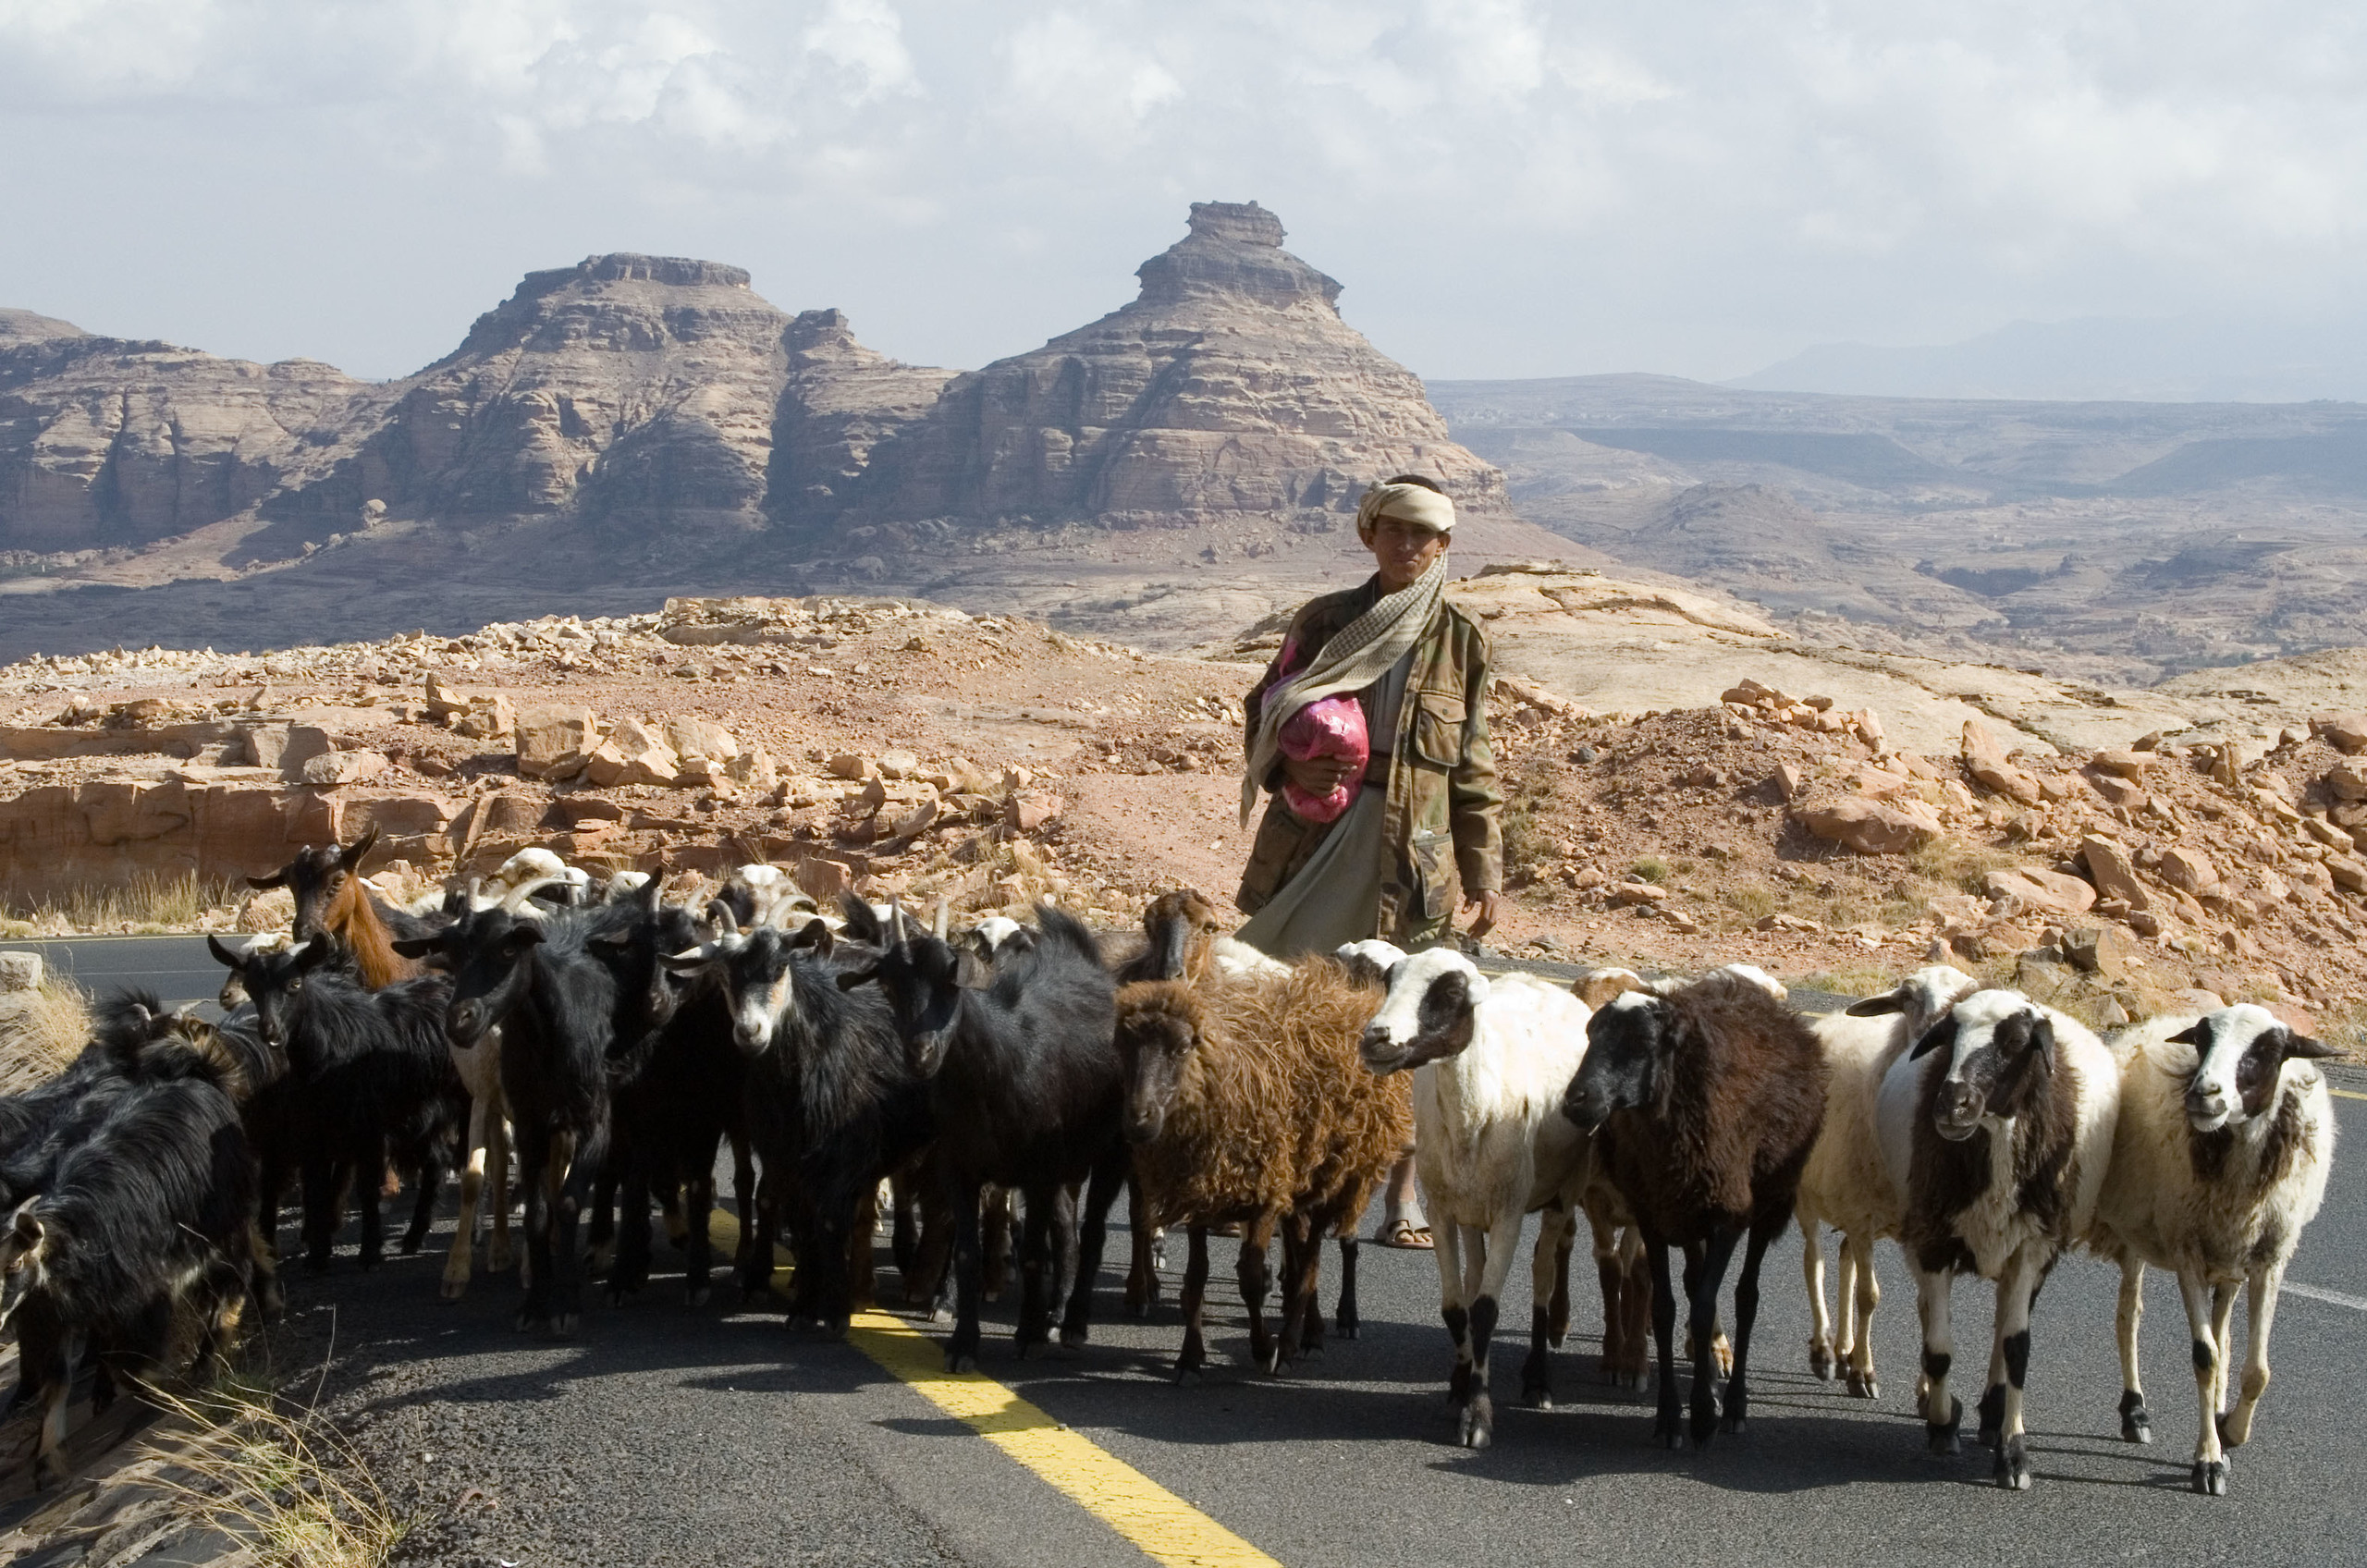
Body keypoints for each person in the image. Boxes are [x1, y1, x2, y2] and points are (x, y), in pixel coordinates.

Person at [1233, 474, 1503, 1247]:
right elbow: (1266, 705)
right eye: (1394, 530)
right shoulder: (1325, 622)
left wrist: (1483, 871)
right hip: (1316, 839)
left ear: (1444, 547)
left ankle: (1401, 1202)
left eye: (1424, 536)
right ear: (1369, 535)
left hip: (1409, 860)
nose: (1408, 546)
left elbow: (1474, 772)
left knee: (1408, 1022)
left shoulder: (1460, 640)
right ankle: (1265, 1182)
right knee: (1282, 1001)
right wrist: (1288, 771)